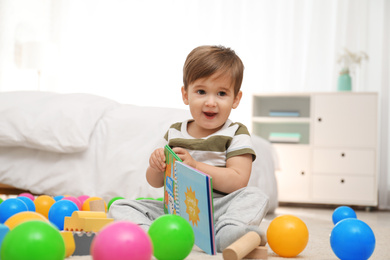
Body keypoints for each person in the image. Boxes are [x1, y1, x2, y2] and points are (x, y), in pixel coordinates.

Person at [108, 45, 269, 252]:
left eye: (221, 93)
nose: (210, 102)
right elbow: (155, 182)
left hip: (219, 208)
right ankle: (153, 234)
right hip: (178, 209)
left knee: (255, 196)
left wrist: (196, 165)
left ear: (236, 99)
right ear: (186, 95)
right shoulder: (175, 133)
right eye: (201, 91)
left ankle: (225, 233)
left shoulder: (236, 132)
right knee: (120, 205)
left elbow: (238, 180)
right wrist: (156, 166)